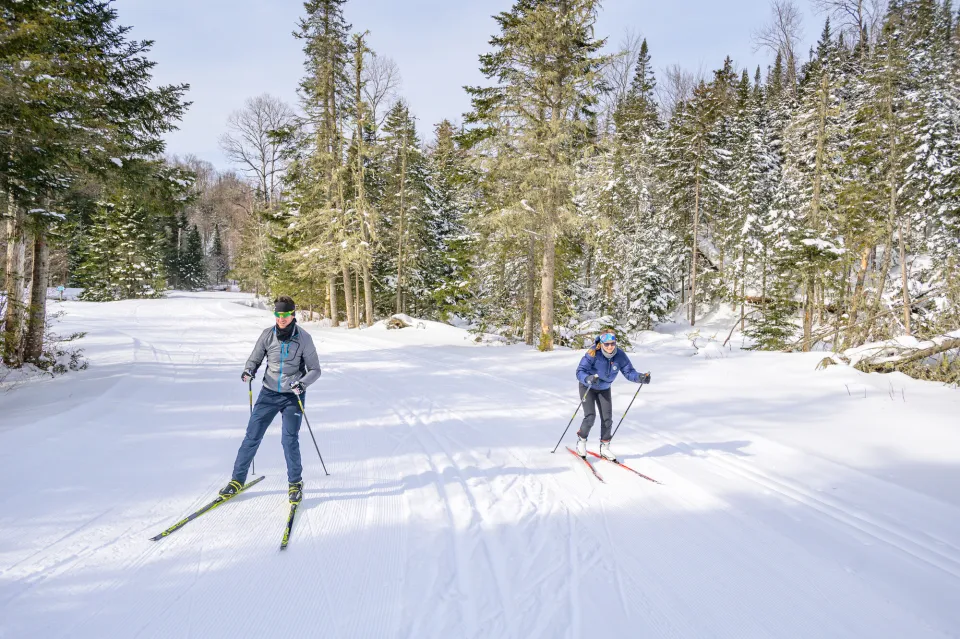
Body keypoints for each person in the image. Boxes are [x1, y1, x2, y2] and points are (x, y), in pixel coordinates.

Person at [219, 296, 321, 504]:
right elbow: (254, 358)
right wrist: (249, 370)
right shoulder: (267, 335)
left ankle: (295, 483)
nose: (281, 319)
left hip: (293, 395)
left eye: (285, 315)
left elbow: (315, 370)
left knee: (289, 439)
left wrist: (302, 383)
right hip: (268, 393)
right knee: (252, 436)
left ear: (293, 314)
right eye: (277, 314)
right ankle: (237, 481)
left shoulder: (304, 338)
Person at [574, 331, 650, 461]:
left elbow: (629, 372)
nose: (610, 347)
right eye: (607, 344)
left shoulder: (619, 355)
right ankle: (581, 440)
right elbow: (580, 371)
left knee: (607, 419)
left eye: (612, 344)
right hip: (588, 386)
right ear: (602, 344)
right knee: (590, 416)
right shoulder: (593, 353)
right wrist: (588, 378)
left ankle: (605, 447)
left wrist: (640, 377)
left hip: (604, 388)